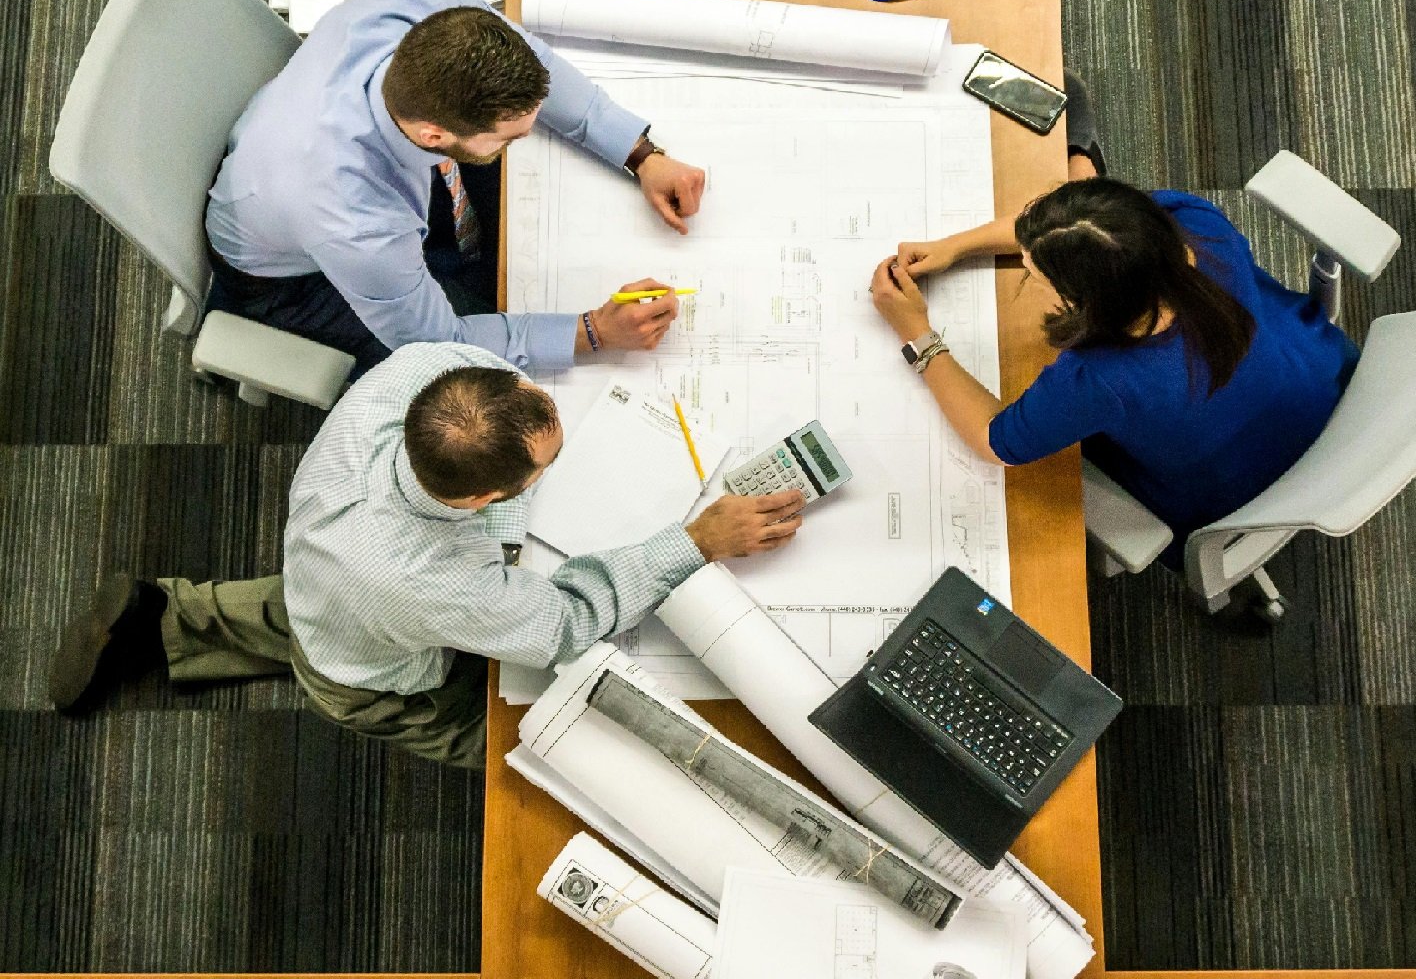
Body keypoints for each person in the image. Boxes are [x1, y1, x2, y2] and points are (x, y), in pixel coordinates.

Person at [48, 342, 804, 767]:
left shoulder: (421, 374)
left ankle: (167, 616)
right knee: (522, 740)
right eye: (544, 470)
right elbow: (565, 624)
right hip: (372, 669)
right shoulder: (431, 583)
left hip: (327, 569)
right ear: (483, 501)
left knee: (315, 607)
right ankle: (528, 759)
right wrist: (695, 540)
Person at [866, 85, 1357, 583]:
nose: (1027, 268)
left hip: (1231, 491)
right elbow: (1086, 230)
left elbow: (996, 441)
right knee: (1073, 107)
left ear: (1086, 302)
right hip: (1321, 382)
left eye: (1036, 274)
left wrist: (919, 335)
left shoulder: (1099, 379)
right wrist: (956, 247)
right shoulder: (1193, 224)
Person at [205, 0, 709, 375]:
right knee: (478, 388)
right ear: (434, 134)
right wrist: (593, 331)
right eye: (511, 136)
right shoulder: (355, 220)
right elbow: (439, 344)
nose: (528, 136)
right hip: (290, 280)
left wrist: (640, 154)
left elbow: (541, 67)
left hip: (295, 155)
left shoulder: (429, 10)